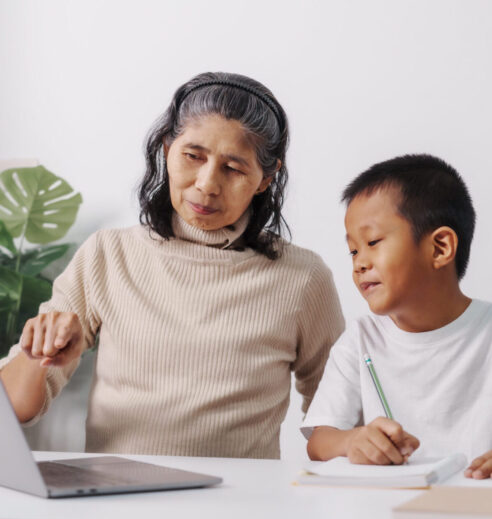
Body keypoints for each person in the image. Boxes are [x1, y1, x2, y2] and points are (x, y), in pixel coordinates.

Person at [0, 72, 344, 459]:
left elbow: (339, 416)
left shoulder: (302, 277)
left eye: (233, 168)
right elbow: (15, 410)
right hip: (120, 504)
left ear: (265, 178)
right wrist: (38, 357)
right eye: (193, 156)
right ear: (167, 148)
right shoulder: (108, 255)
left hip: (238, 510)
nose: (207, 184)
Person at [301, 154, 492, 479]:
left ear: (440, 248)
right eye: (353, 250)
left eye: (373, 241)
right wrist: (352, 441)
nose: (359, 263)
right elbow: (319, 442)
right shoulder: (360, 339)